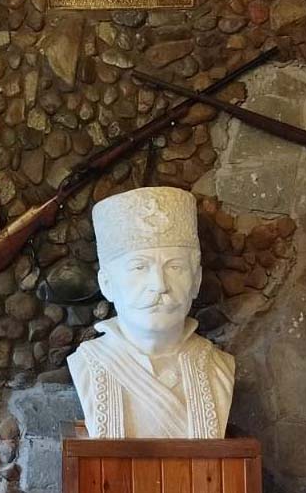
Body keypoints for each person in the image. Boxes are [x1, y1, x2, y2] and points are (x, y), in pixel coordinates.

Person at [68, 186, 235, 438]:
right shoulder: (87, 364)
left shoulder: (219, 367)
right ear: (107, 284)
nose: (159, 285)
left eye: (175, 267)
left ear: (196, 281)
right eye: (139, 267)